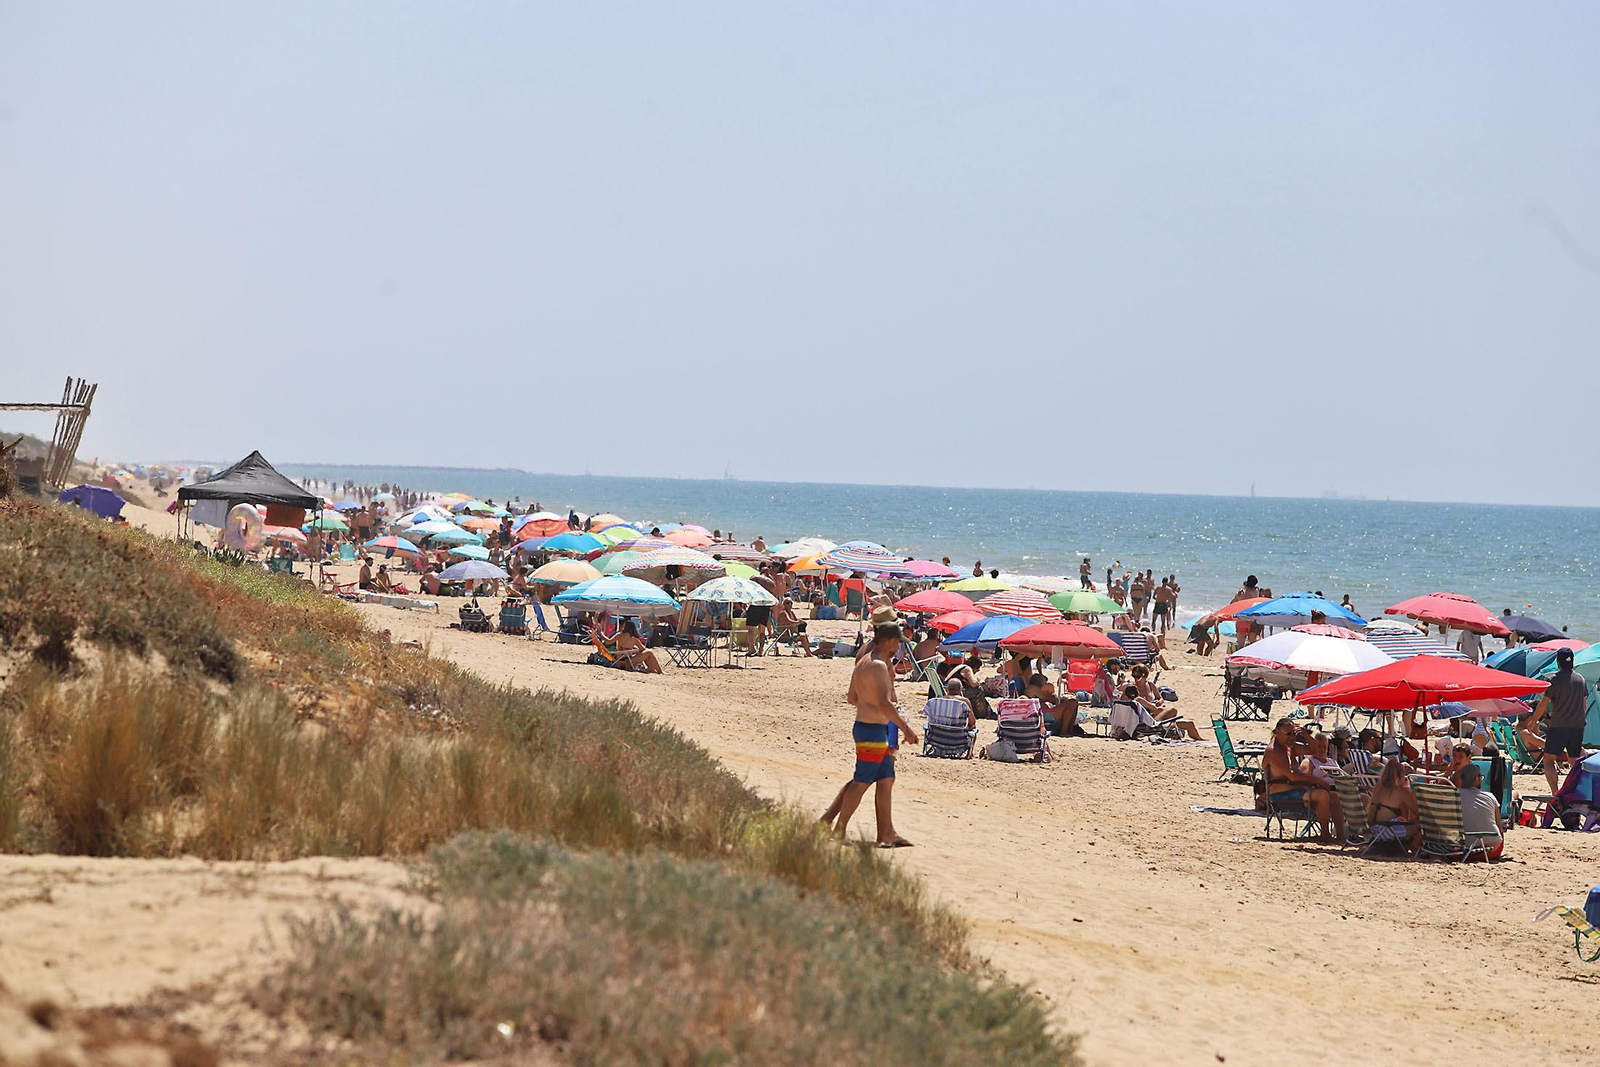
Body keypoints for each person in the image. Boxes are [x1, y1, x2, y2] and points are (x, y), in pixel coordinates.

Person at [820, 623, 918, 847]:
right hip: (871, 730)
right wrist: (906, 729)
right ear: (890, 641)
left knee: (886, 778)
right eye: (897, 642)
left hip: (867, 727)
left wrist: (869, 701)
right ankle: (839, 830)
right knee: (861, 781)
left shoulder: (863, 661)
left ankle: (887, 834)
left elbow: (852, 698)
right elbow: (885, 703)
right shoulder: (879, 666)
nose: (898, 647)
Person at [1263, 718, 1344, 843]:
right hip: (1281, 794)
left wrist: (1307, 736)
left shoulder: (1289, 747)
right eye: (1288, 734)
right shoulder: (1274, 750)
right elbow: (1292, 776)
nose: (1291, 737)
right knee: (1322, 795)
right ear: (1277, 731)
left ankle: (1341, 836)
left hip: (1297, 790)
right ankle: (1325, 834)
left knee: (1334, 796)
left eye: (1293, 733)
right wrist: (1318, 781)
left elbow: (1314, 751)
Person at [1535, 646, 1588, 794]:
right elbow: (1583, 706)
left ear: (1558, 661)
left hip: (1559, 725)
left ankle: (1555, 792)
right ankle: (1573, 791)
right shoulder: (1581, 680)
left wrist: (1534, 720)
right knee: (1574, 761)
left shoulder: (1553, 680)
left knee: (1549, 759)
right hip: (1577, 726)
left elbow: (1543, 705)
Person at [1365, 759, 1421, 856]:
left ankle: (1405, 847)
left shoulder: (1378, 787)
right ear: (1400, 776)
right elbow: (1418, 812)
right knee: (1421, 822)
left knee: (1403, 815)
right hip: (1387, 831)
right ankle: (1415, 847)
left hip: (1374, 831)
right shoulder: (1402, 792)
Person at [1457, 764, 1505, 860]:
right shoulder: (1490, 796)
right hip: (1492, 848)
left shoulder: (1454, 795)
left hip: (1459, 850)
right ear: (1476, 779)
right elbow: (1499, 828)